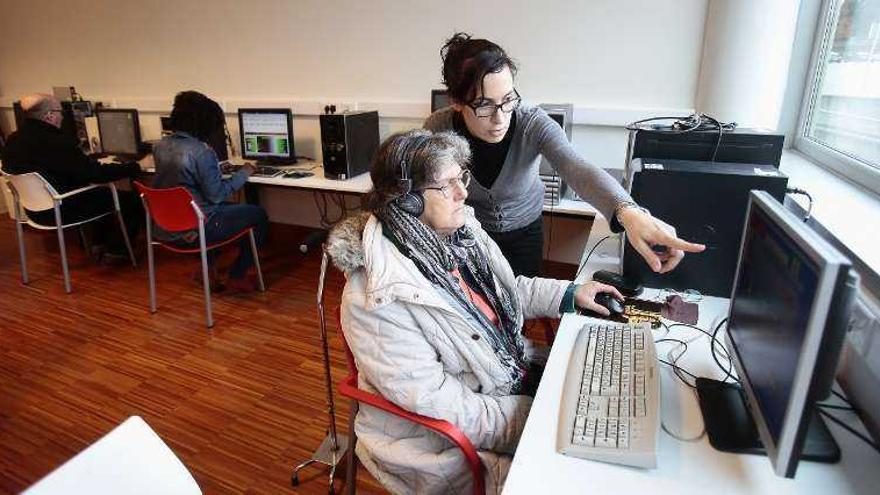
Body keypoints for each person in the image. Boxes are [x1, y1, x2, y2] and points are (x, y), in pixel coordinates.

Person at [327, 129, 625, 494]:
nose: (463, 193)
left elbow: (505, 290)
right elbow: (444, 404)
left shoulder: (460, 233)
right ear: (407, 200)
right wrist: (539, 418)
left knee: (604, 404)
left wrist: (571, 293)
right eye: (448, 183)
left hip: (501, 378)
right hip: (441, 442)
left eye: (461, 177)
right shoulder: (374, 298)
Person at [425, 33, 705, 277]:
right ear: (457, 102)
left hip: (524, 234)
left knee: (521, 308)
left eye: (508, 99)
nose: (501, 118)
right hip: (467, 236)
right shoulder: (437, 129)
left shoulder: (532, 123)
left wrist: (627, 211)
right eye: (484, 105)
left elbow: (576, 167)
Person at [1, 93, 143, 260]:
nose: (62, 116)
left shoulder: (13, 140)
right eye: (60, 111)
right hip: (61, 209)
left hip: (33, 211)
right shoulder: (56, 142)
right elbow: (95, 174)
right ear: (50, 116)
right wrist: (134, 167)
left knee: (98, 193)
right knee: (130, 198)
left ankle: (97, 243)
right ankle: (118, 249)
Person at [151, 91, 268, 291]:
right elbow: (217, 195)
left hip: (166, 229)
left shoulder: (159, 146)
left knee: (226, 211)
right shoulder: (202, 151)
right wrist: (244, 172)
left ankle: (207, 269)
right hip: (196, 230)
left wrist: (213, 171)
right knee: (257, 214)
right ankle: (237, 276)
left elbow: (182, 181)